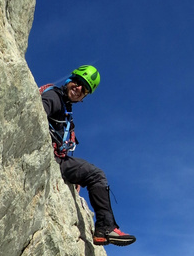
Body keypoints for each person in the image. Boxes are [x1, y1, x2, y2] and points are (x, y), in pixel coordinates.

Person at [41, 65, 136, 246]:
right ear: (70, 80)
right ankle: (105, 228)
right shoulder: (54, 97)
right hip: (48, 157)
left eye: (84, 89)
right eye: (77, 83)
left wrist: (74, 177)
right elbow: (36, 115)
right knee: (95, 174)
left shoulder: (65, 108)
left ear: (85, 96)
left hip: (56, 158)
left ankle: (104, 230)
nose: (78, 89)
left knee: (94, 174)